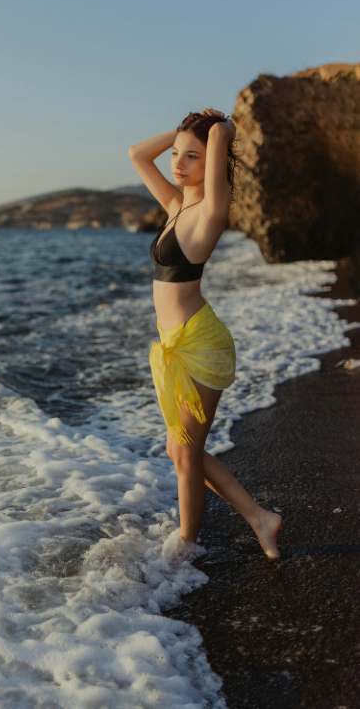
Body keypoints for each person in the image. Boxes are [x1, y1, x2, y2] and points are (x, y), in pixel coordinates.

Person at [129, 109, 281, 558]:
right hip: (177, 347)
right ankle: (261, 519)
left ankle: (185, 549)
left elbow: (216, 149)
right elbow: (138, 155)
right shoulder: (179, 208)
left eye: (191, 157)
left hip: (200, 346)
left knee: (188, 457)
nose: (177, 163)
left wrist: (221, 132)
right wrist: (182, 135)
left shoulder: (210, 211)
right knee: (181, 454)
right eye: (176, 154)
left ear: (211, 159)